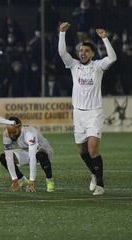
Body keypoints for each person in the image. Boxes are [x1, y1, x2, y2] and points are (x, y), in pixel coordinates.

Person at [58, 22, 117, 195]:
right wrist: (62, 34)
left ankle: (100, 183)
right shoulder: (74, 65)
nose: (82, 53)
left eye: (86, 51)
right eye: (81, 51)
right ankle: (94, 173)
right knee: (82, 151)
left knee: (92, 148)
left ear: (92, 54)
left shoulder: (98, 66)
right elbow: (62, 52)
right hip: (78, 114)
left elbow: (112, 58)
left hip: (94, 113)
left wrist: (104, 38)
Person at [0, 117, 54, 192]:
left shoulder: (29, 134)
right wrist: (14, 180)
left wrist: (32, 181)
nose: (11, 136)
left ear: (19, 127)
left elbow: (32, 157)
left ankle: (49, 179)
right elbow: (8, 157)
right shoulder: (6, 134)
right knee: (4, 157)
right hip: (26, 151)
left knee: (40, 155)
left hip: (42, 150)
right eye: (10, 132)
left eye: (14, 132)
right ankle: (21, 179)